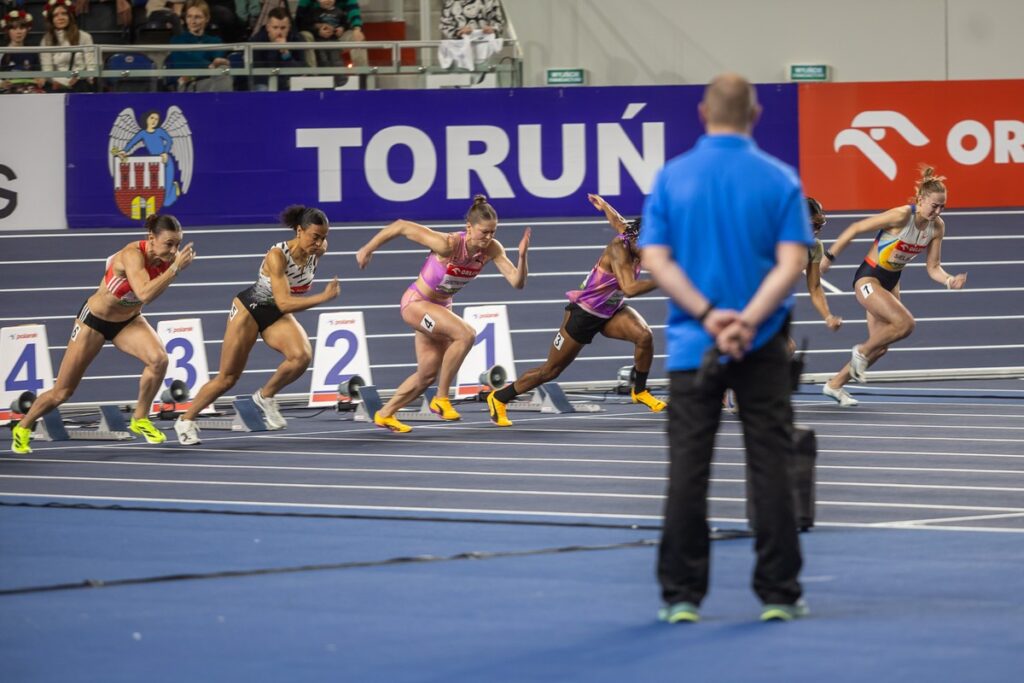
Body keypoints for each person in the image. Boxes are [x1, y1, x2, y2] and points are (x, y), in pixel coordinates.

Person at [640, 73, 813, 623]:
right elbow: (793, 263)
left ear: (702, 111)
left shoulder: (671, 178)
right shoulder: (780, 179)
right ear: (755, 114)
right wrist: (748, 322)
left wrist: (712, 317)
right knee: (771, 467)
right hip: (762, 348)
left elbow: (656, 261)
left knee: (688, 471)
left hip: (695, 346)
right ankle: (779, 594)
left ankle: (682, 596)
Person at [11, 215, 195, 455]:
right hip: (94, 322)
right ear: (151, 238)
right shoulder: (132, 255)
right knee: (63, 391)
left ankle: (140, 418)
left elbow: (147, 297)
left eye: (178, 245)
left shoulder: (163, 260)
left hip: (128, 321)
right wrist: (174, 269)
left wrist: (170, 267)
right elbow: (145, 293)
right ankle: (23, 427)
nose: (174, 250)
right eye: (169, 244)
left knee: (159, 360)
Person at [486, 193, 665, 427]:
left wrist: (604, 206)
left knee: (644, 336)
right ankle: (499, 398)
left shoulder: (633, 233)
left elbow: (617, 220)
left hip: (611, 311)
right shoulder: (618, 250)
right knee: (550, 371)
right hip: (584, 314)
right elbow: (630, 288)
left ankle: (639, 391)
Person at [355, 195, 530, 433]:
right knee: (466, 334)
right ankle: (441, 398)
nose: (488, 238)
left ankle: (385, 414)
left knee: (426, 374)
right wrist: (368, 248)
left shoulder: (492, 249)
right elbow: (401, 226)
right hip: (416, 303)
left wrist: (522, 257)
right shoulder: (447, 244)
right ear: (469, 227)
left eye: (493, 232)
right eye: (483, 232)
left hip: (439, 310)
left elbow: (516, 282)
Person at [174, 206, 338, 445]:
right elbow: (283, 301)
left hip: (274, 312)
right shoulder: (277, 255)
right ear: (299, 230)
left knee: (301, 356)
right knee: (227, 378)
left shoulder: (318, 250)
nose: (320, 242)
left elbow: (280, 305)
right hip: (249, 309)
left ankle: (265, 396)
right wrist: (323, 297)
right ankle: (186, 421)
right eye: (315, 237)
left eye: (324, 237)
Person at [819, 166, 966, 404]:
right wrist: (829, 258)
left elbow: (933, 267)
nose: (938, 211)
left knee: (881, 346)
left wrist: (949, 280)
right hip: (869, 279)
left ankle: (834, 385)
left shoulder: (937, 226)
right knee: (905, 323)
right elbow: (856, 227)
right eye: (934, 205)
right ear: (920, 199)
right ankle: (860, 352)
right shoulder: (901, 216)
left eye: (942, 206)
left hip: (891, 282)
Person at [166, 0, 231, 92]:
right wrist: (209, 66)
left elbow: (223, 70)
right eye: (189, 16)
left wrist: (193, 74)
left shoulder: (215, 41)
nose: (193, 21)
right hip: (188, 85)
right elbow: (181, 66)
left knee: (224, 70)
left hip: (209, 81)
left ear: (207, 19)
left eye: (197, 17)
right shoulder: (177, 40)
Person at [39, 0, 97, 92]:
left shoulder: (84, 37)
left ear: (70, 16)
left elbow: (91, 67)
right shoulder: (46, 40)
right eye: (56, 15)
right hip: (56, 85)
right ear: (51, 19)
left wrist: (78, 77)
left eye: (64, 14)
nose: (60, 18)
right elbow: (47, 70)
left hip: (79, 83)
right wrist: (58, 82)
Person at [250, 7, 309, 90]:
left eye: (283, 28)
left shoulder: (297, 39)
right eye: (275, 27)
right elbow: (257, 74)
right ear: (268, 27)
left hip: (289, 82)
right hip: (265, 83)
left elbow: (300, 71)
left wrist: (285, 53)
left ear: (289, 27)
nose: (279, 32)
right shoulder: (256, 41)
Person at [296, 0, 366, 68]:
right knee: (304, 35)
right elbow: (300, 23)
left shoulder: (339, 11)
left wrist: (351, 28)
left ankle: (362, 75)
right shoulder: (312, 12)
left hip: (337, 38)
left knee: (357, 36)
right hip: (315, 38)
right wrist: (317, 30)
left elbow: (352, 16)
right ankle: (311, 74)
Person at [1, 9, 45, 94]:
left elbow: (38, 72)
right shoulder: (2, 51)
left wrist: (40, 79)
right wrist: (1, 83)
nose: (18, 32)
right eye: (14, 28)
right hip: (8, 91)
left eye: (22, 28)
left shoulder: (32, 51)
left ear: (27, 29)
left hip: (29, 90)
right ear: (7, 31)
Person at [439, 0, 503, 39]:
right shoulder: (450, 2)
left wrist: (493, 30)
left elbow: (498, 22)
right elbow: (445, 25)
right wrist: (458, 33)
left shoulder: (490, 1)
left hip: (486, 48)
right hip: (458, 51)